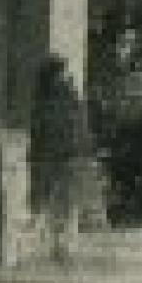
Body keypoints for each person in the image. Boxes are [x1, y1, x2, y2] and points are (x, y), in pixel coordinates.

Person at [28, 54, 96, 265]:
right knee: (52, 203)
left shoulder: (61, 98)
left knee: (59, 203)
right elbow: (42, 130)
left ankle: (60, 247)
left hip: (64, 157)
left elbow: (78, 127)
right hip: (57, 157)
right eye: (62, 72)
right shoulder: (59, 99)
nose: (65, 76)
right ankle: (54, 247)